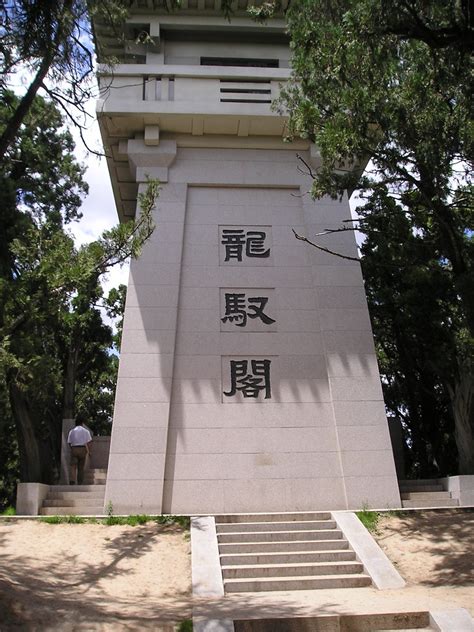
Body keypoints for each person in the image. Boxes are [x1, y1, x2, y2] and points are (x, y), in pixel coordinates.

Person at [67, 415, 93, 485]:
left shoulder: (71, 431)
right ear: (82, 423)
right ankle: (80, 482)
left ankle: (72, 480)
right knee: (80, 467)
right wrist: (89, 452)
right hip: (82, 449)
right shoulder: (86, 431)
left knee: (73, 466)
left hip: (74, 448)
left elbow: (69, 442)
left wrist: (72, 449)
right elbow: (88, 442)